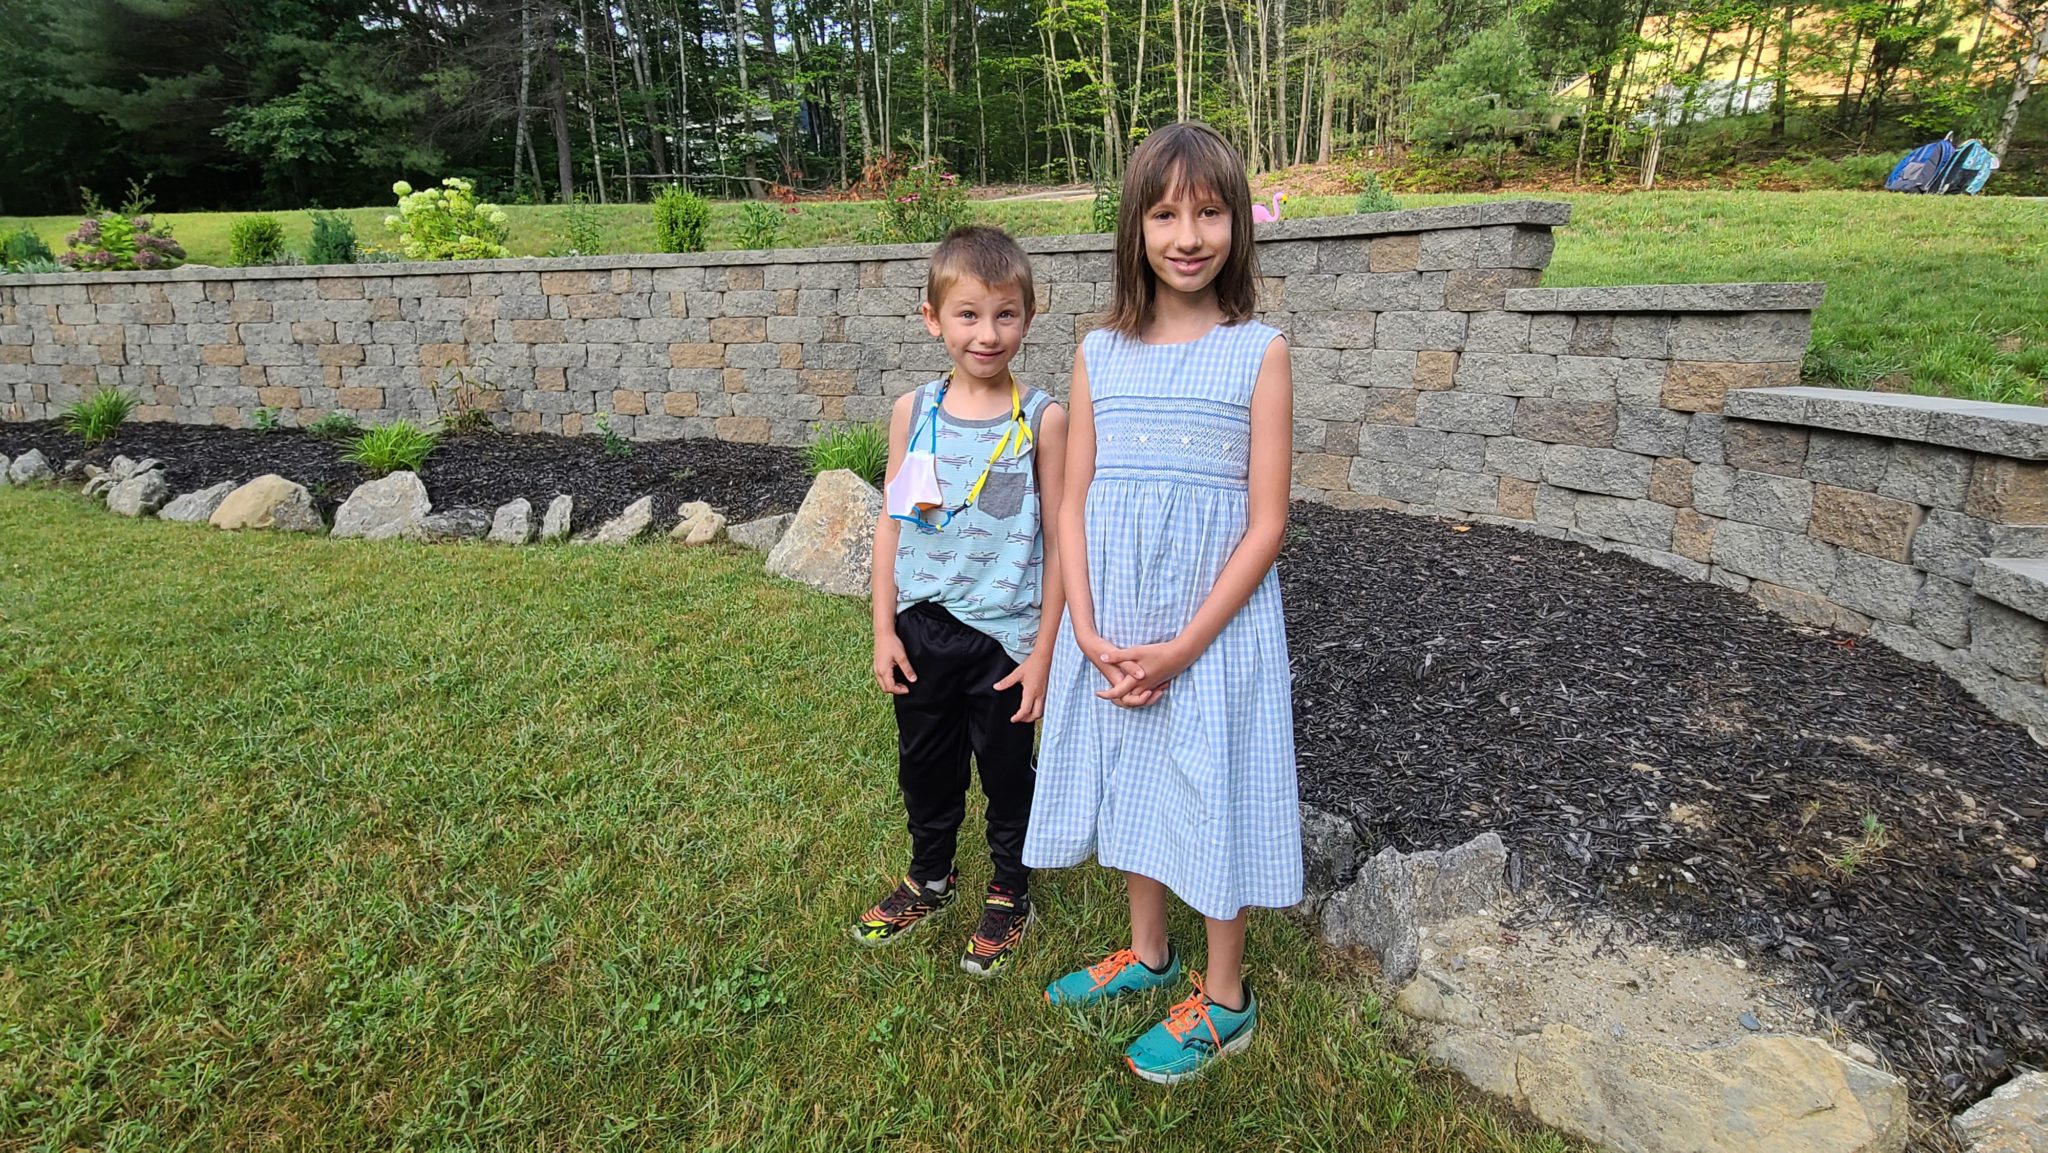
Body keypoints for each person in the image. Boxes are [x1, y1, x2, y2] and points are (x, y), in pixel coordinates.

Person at [1025, 122, 1301, 1083]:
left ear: (1237, 224)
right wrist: (1089, 631)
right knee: (1137, 773)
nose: (1189, 234)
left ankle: (1226, 999)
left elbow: (1267, 523)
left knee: (1209, 781)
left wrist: (1183, 646)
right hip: (1117, 621)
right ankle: (1150, 955)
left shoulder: (1258, 351)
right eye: (1166, 212)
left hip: (1210, 629)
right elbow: (1074, 498)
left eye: (1211, 211)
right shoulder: (1100, 351)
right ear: (1135, 229)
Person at [851, 224, 1068, 978]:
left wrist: (1044, 652)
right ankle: (930, 875)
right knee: (926, 764)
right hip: (922, 629)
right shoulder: (917, 410)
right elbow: (892, 519)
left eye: (1005, 314)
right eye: (968, 314)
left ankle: (1011, 888)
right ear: (933, 319)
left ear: (1029, 319)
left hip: (1006, 641)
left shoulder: (1043, 418)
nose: (987, 332)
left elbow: (1064, 537)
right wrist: (884, 627)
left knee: (1009, 772)